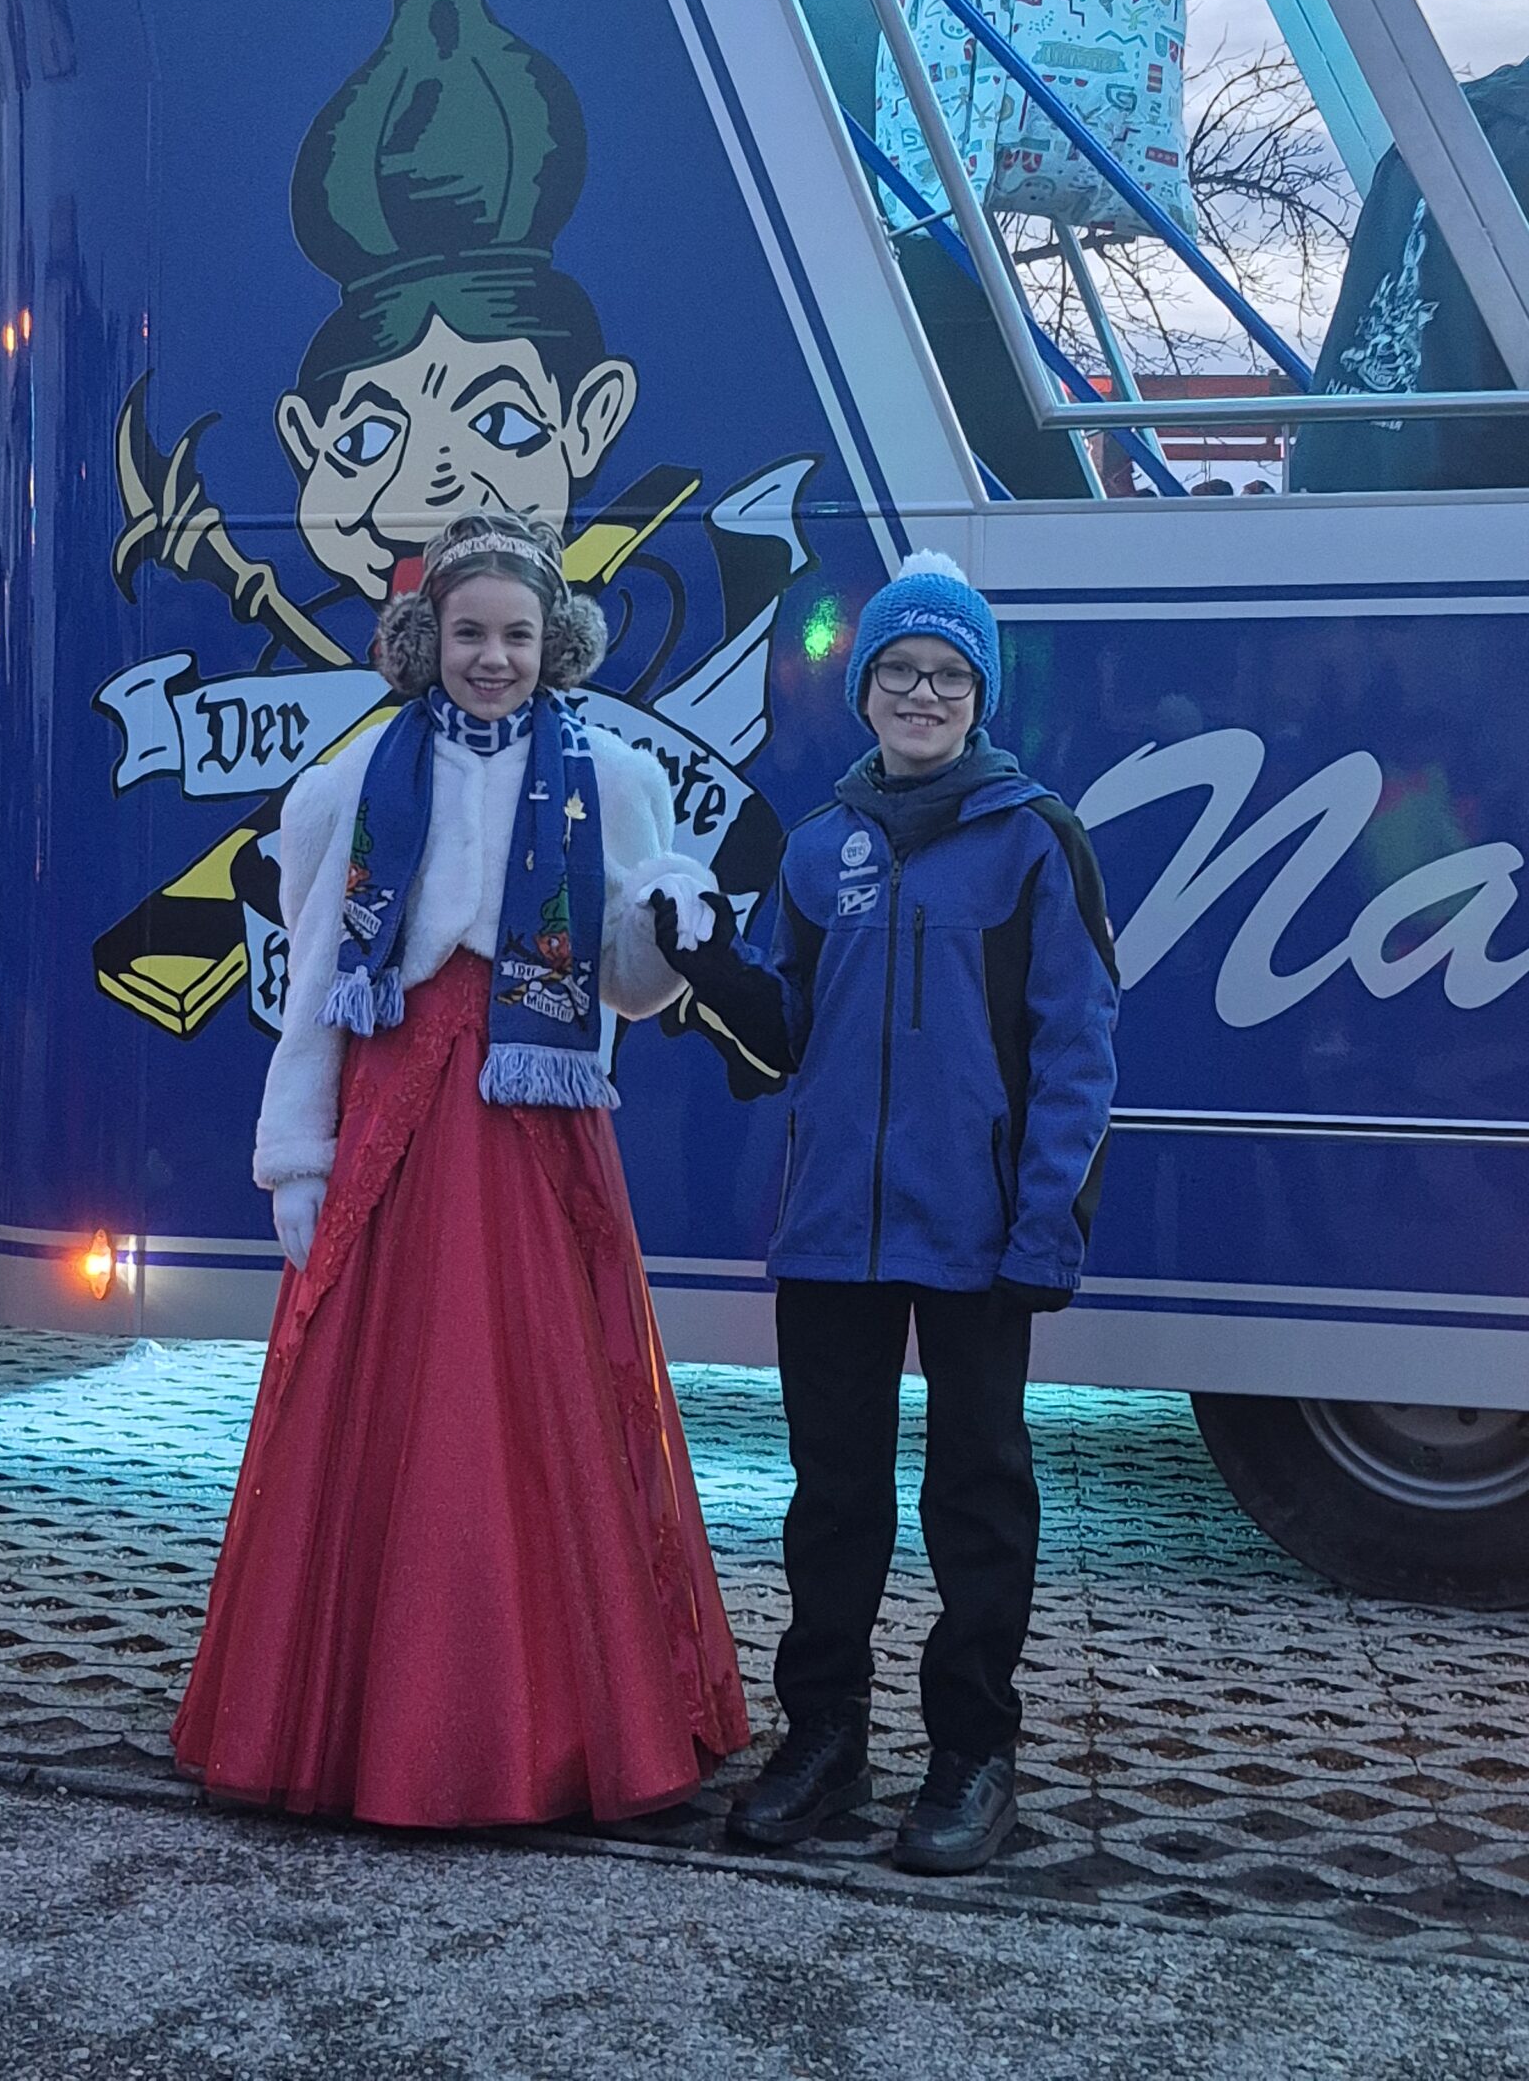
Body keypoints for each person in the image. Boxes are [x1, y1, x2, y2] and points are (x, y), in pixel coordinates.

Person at [173, 511, 749, 1827]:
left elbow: (625, 985)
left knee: (549, 1406)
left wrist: (669, 929)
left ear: (556, 645)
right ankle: (363, 1726)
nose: (494, 658)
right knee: (383, 1410)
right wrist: (297, 1154)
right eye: (470, 633)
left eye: (517, 635)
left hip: (535, 1130)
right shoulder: (348, 787)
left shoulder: (612, 781)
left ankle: (553, 1728)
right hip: (396, 1126)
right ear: (427, 639)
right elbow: (316, 983)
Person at [650, 551, 1117, 1873]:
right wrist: (707, 965)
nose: (922, 693)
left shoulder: (1035, 839)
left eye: (948, 674)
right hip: (830, 1237)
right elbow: (781, 1043)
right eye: (899, 670)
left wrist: (1047, 1226)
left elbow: (1078, 1046)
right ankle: (826, 1740)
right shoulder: (818, 847)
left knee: (978, 1498)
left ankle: (972, 1754)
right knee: (833, 1498)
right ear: (863, 692)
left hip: (977, 1236)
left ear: (980, 695)